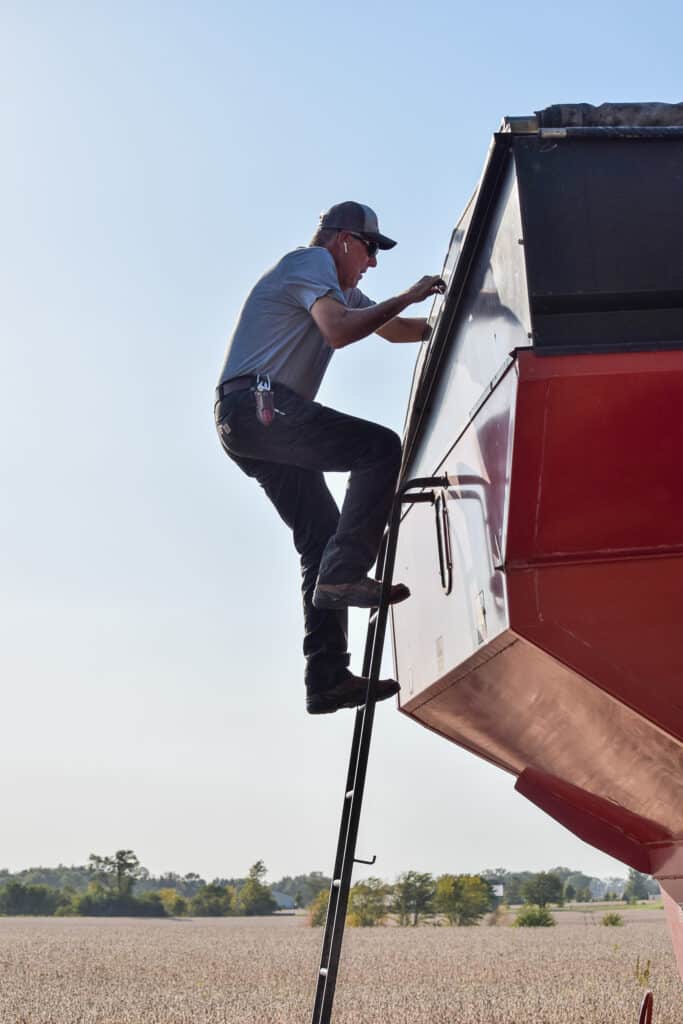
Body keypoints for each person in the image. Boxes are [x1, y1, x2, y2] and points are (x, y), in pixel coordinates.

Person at [214, 201, 445, 714]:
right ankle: (346, 573)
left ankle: (327, 678)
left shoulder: (336, 284)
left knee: (320, 538)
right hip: (260, 408)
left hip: (250, 424)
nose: (374, 263)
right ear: (343, 240)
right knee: (379, 448)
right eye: (371, 249)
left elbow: (392, 328)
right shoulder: (311, 263)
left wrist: (449, 318)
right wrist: (408, 294)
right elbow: (339, 330)